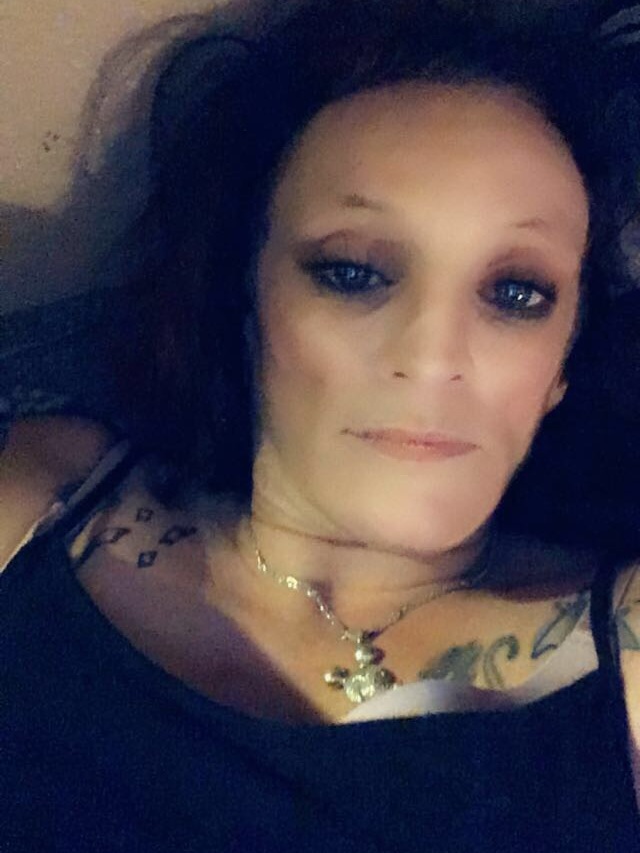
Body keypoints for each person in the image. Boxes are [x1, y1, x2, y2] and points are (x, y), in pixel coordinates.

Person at [2, 1, 640, 850]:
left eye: (517, 292)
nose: (433, 357)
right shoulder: (43, 499)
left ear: (563, 364)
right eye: (352, 272)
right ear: (246, 301)